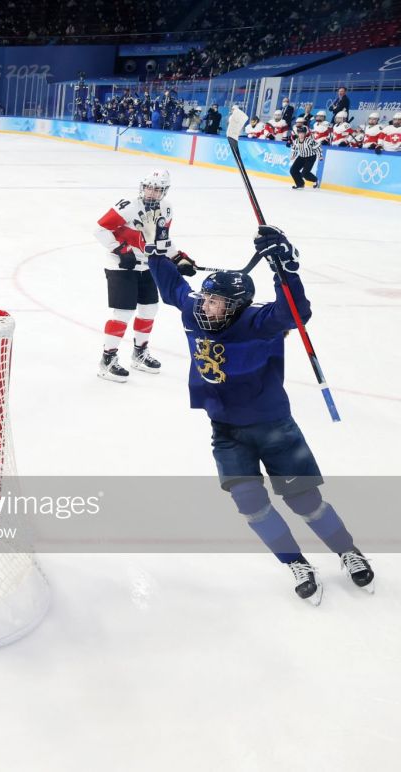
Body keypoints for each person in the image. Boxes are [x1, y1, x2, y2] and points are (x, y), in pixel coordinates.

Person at [145, 226, 374, 603]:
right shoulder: (195, 310)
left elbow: (296, 311)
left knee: (305, 501)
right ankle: (295, 562)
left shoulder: (259, 322)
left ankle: (348, 551)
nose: (208, 308)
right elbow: (173, 288)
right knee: (250, 504)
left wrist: (283, 266)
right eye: (207, 300)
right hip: (226, 431)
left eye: (218, 303)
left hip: (273, 426)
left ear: (237, 307)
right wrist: (157, 251)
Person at [93, 169, 191, 382]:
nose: (151, 193)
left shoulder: (166, 208)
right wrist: (120, 249)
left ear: (164, 191)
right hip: (121, 266)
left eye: (157, 189)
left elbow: (161, 239)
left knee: (149, 309)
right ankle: (107, 360)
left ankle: (139, 353)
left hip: (148, 266)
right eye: (148, 187)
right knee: (123, 312)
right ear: (142, 186)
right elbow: (100, 228)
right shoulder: (128, 206)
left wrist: (178, 258)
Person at [288, 124, 321, 190]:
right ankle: (300, 184)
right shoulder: (296, 141)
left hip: (310, 157)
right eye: (300, 133)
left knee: (305, 174)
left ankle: (315, 180)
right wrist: (293, 156)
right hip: (302, 156)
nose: (301, 135)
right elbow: (294, 149)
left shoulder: (309, 140)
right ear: (298, 134)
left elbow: (317, 147)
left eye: (302, 133)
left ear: (305, 133)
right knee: (293, 170)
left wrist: (320, 156)